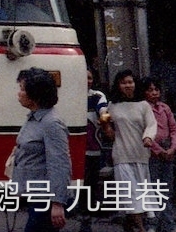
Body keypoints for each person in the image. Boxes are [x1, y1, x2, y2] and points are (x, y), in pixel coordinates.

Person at [11, 67, 72, 231]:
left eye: (22, 89)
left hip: (45, 199)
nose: (19, 93)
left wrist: (57, 203)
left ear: (35, 95)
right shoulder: (34, 118)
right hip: (34, 195)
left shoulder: (51, 123)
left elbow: (60, 164)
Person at [101, 69, 157, 232]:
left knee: (142, 193)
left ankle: (135, 224)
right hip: (121, 155)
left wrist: (148, 137)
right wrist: (105, 124)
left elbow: (151, 125)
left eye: (130, 82)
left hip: (140, 154)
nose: (127, 85)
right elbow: (110, 134)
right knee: (130, 194)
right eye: (124, 82)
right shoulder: (112, 106)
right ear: (118, 85)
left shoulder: (143, 105)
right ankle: (141, 228)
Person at [143, 76, 176, 232]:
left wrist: (173, 147)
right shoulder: (143, 108)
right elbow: (143, 132)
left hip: (168, 150)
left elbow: (174, 129)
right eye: (150, 90)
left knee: (166, 189)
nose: (154, 93)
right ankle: (153, 224)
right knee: (152, 188)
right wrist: (159, 150)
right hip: (151, 152)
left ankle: (168, 224)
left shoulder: (165, 108)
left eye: (156, 90)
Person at [80, 66, 109, 232]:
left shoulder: (97, 96)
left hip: (92, 149)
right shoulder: (68, 95)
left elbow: (104, 110)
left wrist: (105, 120)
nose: (87, 81)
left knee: (90, 185)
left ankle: (86, 220)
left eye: (89, 78)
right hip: (72, 150)